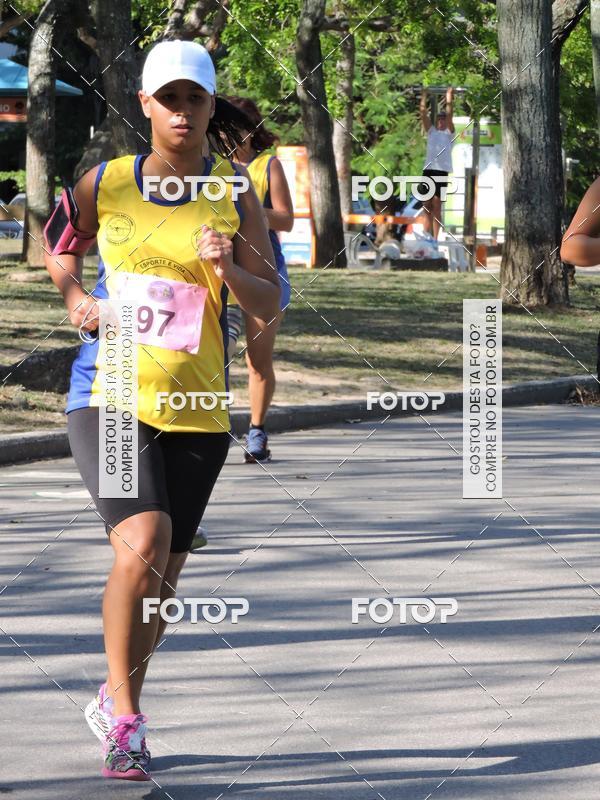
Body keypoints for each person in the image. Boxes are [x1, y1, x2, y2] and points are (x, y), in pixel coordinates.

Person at [43, 39, 280, 781]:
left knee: (163, 579)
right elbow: (58, 245)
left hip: (198, 406)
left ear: (211, 106)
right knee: (145, 540)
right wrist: (76, 298)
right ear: (144, 104)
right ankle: (127, 724)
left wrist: (228, 268)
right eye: (168, 99)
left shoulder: (235, 191)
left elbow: (271, 302)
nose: (182, 111)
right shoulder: (105, 181)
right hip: (109, 391)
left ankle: (118, 703)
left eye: (194, 99)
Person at [224, 96, 294, 463]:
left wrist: (250, 211)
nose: (230, 135)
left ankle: (256, 431)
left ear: (251, 130)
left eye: (237, 127)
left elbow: (286, 219)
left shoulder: (268, 166)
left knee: (257, 359)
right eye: (223, 128)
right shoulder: (210, 168)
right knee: (212, 355)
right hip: (218, 271)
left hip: (264, 271)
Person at [419, 87, 455, 240]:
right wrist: (424, 95)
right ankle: (425, 236)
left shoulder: (449, 134)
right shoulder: (431, 132)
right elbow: (423, 113)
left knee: (437, 206)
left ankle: (434, 239)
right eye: (439, 119)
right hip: (429, 170)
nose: (441, 121)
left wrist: (448, 97)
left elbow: (450, 113)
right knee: (426, 205)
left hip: (441, 172)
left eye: (443, 119)